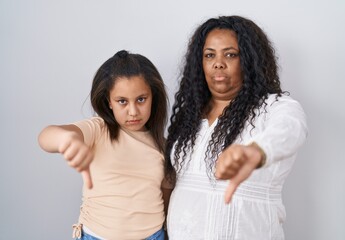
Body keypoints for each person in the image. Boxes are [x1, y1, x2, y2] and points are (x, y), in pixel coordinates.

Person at [164, 15, 308, 239]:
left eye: (230, 54)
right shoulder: (189, 116)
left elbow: (290, 130)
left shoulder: (274, 107)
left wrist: (256, 151)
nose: (218, 63)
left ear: (249, 60)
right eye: (209, 55)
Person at [38, 50, 171, 240]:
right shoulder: (99, 130)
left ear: (153, 97)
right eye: (122, 101)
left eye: (141, 99)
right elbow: (46, 136)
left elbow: (166, 202)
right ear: (109, 102)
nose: (133, 111)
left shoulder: (163, 146)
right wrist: (65, 140)